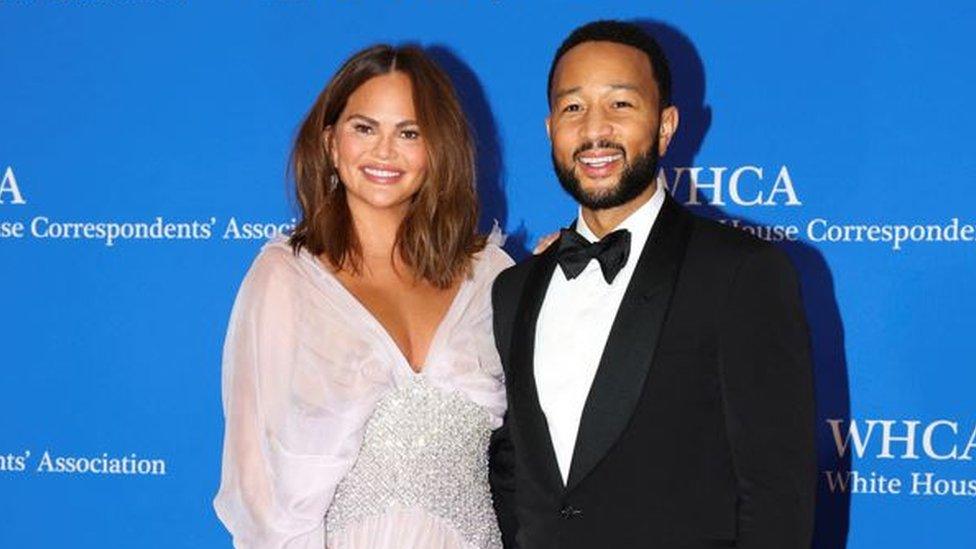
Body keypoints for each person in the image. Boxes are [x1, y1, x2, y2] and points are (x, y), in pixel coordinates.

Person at [489, 20, 816, 549]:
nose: (595, 129)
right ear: (550, 128)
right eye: (573, 107)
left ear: (665, 125)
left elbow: (779, 494)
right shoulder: (514, 290)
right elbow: (513, 471)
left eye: (620, 104)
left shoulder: (740, 272)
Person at [214, 44, 511, 549]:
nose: (384, 152)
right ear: (331, 143)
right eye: (364, 128)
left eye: (409, 132)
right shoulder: (286, 279)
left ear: (437, 149)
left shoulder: (489, 274)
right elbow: (257, 488)